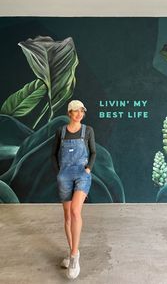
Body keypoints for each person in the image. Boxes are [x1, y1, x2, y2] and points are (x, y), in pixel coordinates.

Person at [51, 100, 96, 279]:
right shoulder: (60, 131)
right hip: (64, 176)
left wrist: (88, 169)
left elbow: (93, 153)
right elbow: (53, 154)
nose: (79, 114)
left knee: (76, 211)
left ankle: (74, 256)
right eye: (75, 111)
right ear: (69, 113)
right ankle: (71, 253)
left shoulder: (88, 131)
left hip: (82, 175)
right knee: (68, 215)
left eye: (82, 111)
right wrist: (58, 173)